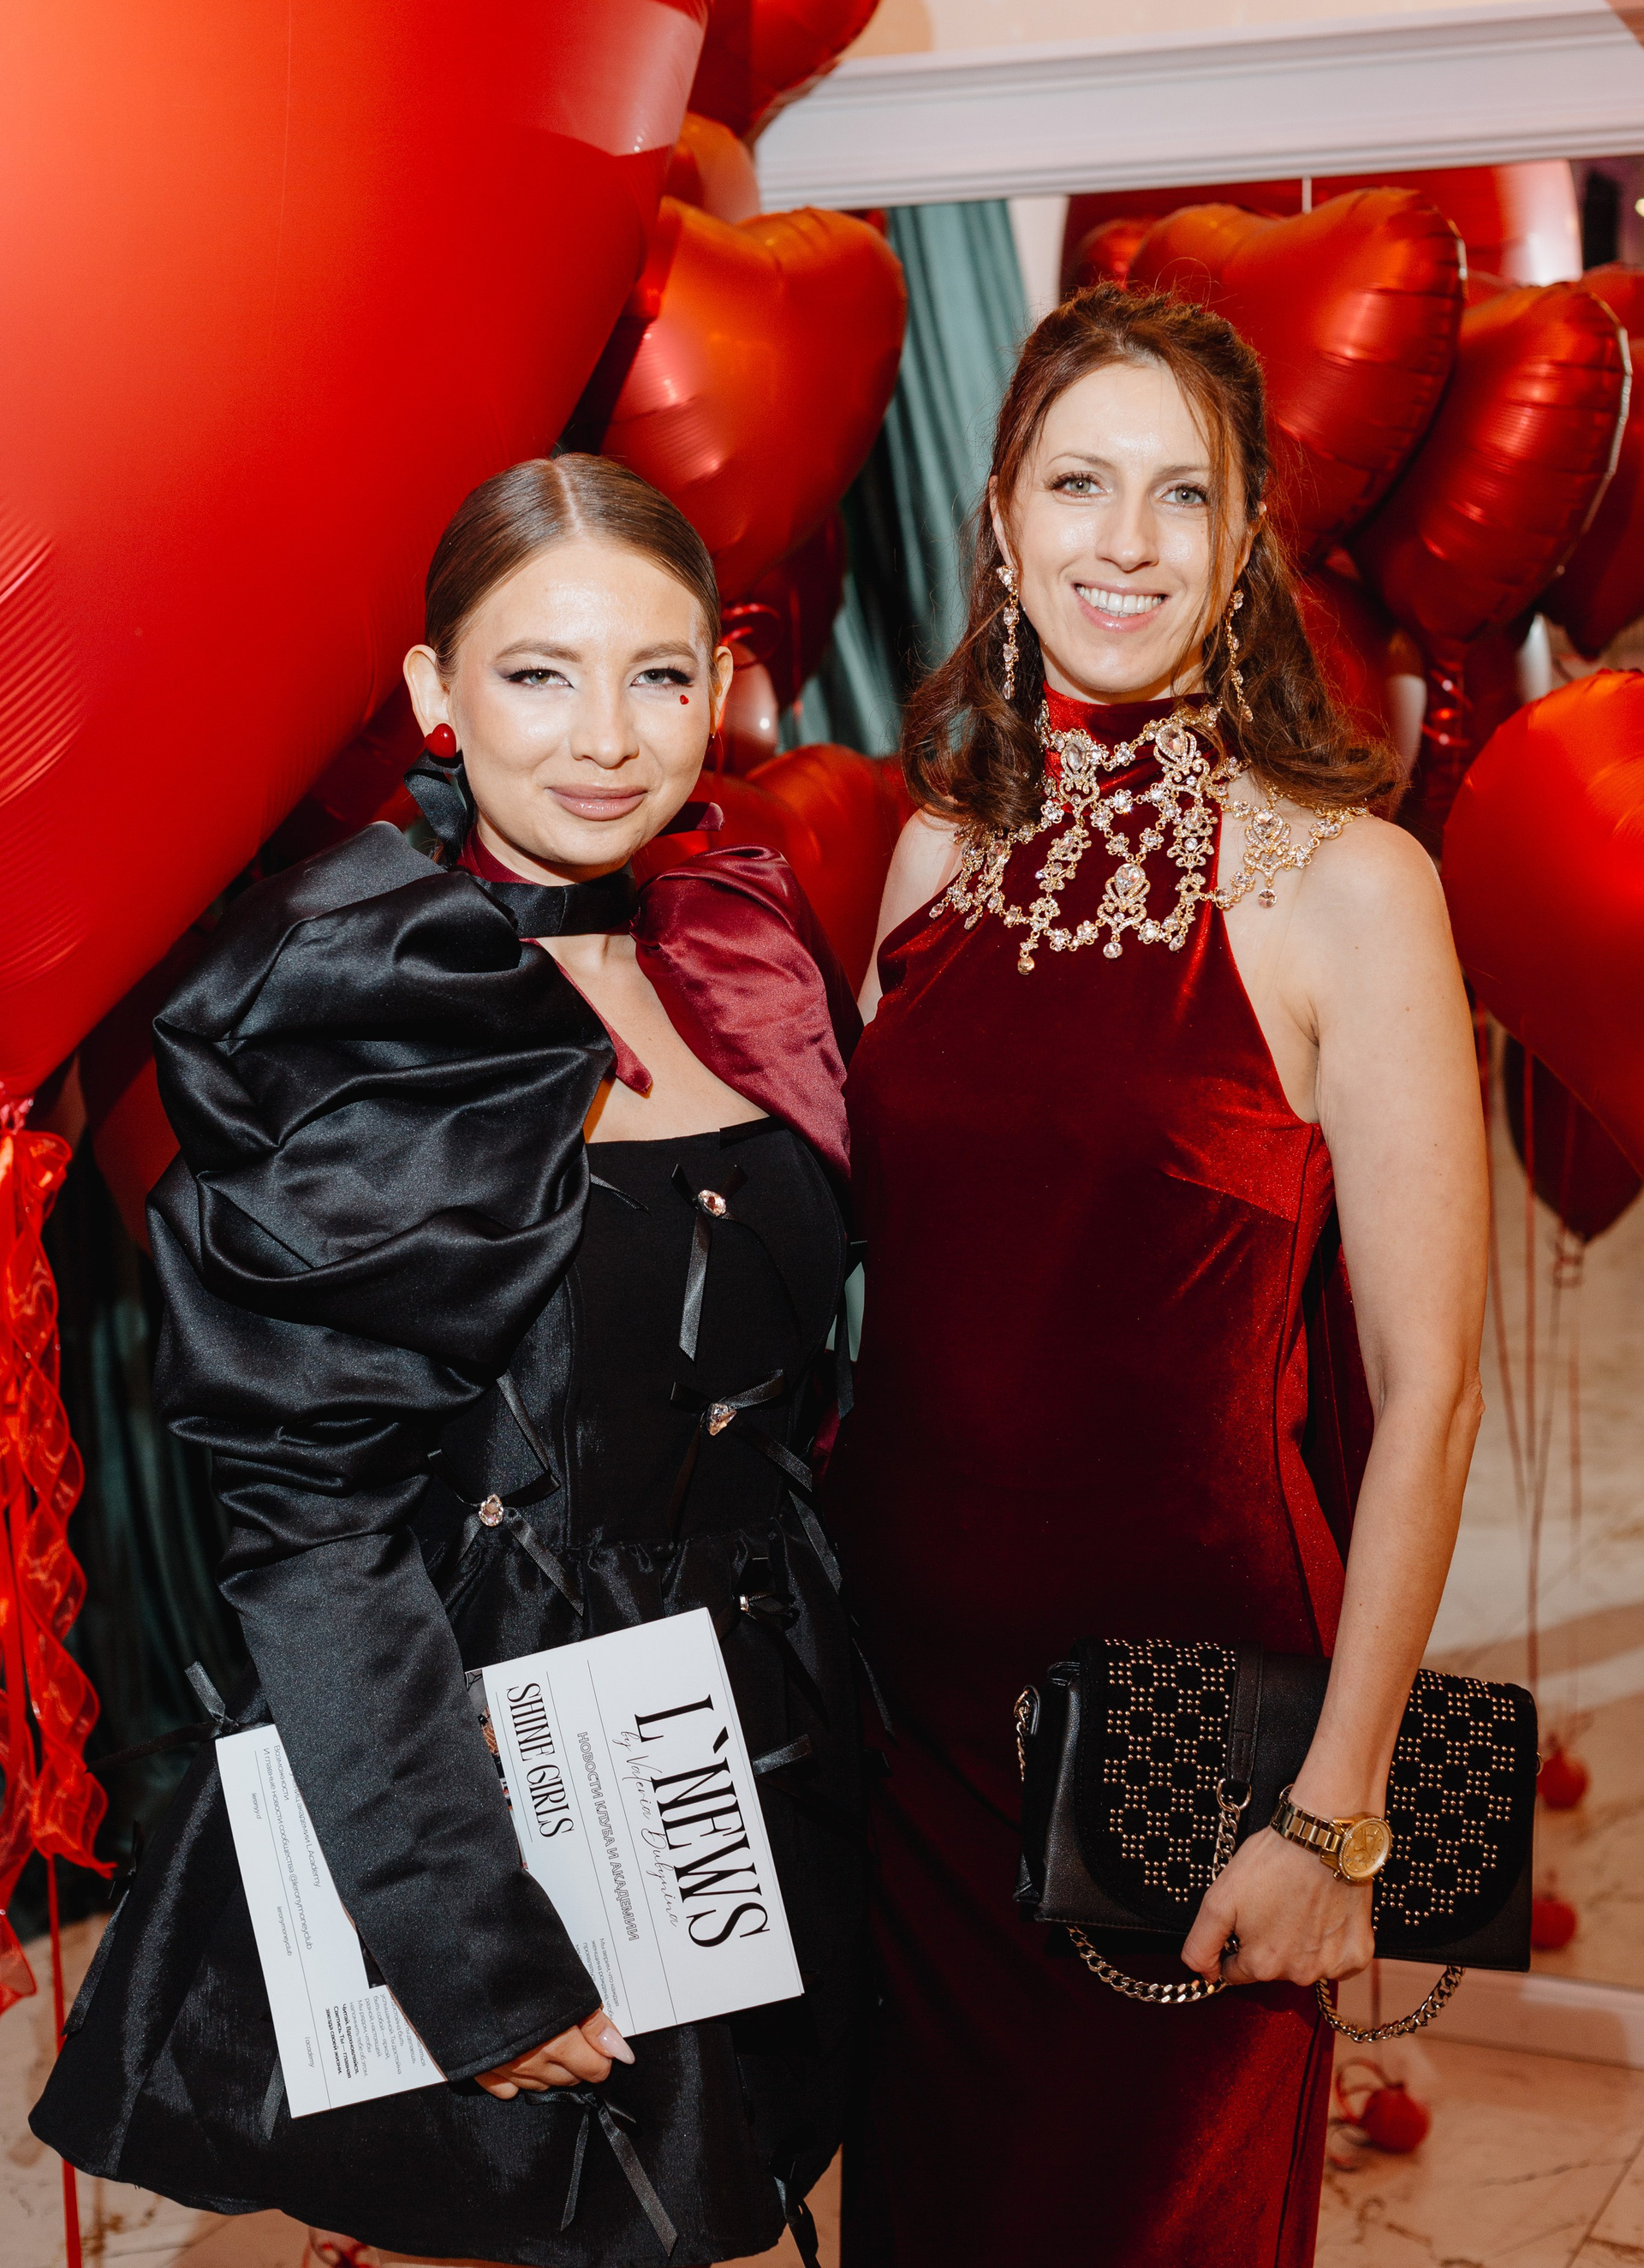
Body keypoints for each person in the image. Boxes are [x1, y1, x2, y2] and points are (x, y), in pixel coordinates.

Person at [33, 455, 866, 2268]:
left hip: (766, 1763)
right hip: (500, 1799)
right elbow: (309, 1532)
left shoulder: (747, 940)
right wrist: (470, 1950)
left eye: (656, 674)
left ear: (721, 686)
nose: (607, 738)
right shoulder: (354, 999)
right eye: (538, 673)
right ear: (434, 691)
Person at [823, 285, 1488, 2265]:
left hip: (1196, 1739)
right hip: (913, 1732)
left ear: (1243, 538)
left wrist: (1337, 1815)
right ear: (1001, 524)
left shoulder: (1350, 885)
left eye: (1180, 494)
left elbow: (1431, 1389)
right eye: (1078, 484)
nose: (1126, 539)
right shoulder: (931, 858)